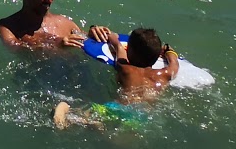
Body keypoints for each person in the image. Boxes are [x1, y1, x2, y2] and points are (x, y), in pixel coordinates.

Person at [53, 28, 182, 129]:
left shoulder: (126, 69)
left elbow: (118, 47)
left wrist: (113, 38)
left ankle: (65, 116)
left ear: (129, 50)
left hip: (118, 108)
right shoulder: (165, 74)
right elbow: (174, 63)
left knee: (83, 114)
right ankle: (97, 125)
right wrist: (169, 50)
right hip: (141, 117)